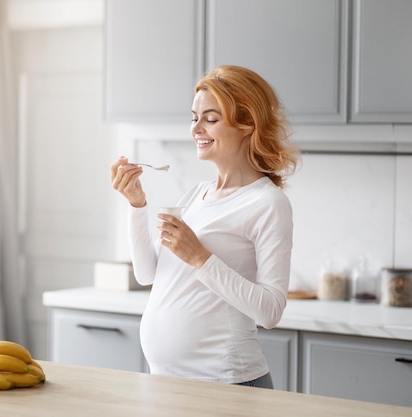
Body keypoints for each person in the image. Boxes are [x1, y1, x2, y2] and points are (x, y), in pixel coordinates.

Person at [110, 65, 299, 388]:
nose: (196, 128)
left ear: (247, 124)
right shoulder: (197, 194)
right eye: (194, 117)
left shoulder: (267, 203)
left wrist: (200, 257)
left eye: (210, 119)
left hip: (227, 384)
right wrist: (137, 205)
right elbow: (148, 273)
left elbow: (270, 311)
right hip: (169, 383)